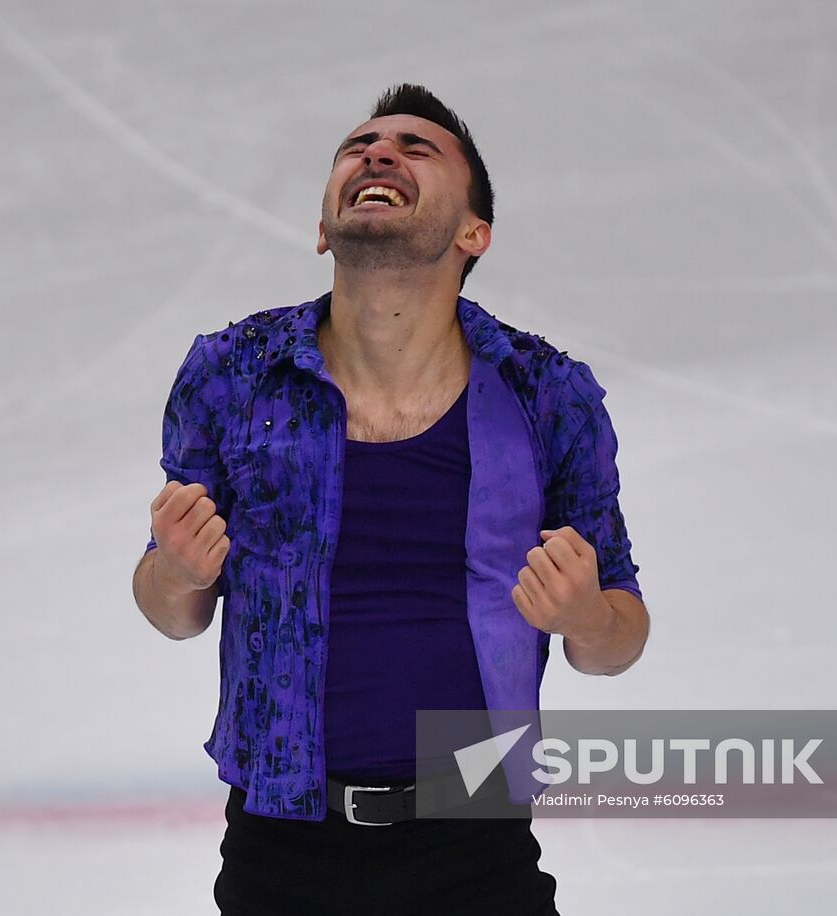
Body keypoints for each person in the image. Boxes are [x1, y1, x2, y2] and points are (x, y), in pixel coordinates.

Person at [132, 83, 649, 915]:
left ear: (473, 232)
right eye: (359, 146)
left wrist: (587, 617)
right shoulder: (233, 372)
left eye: (418, 148)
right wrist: (178, 572)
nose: (377, 153)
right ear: (323, 227)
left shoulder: (546, 394)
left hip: (475, 831)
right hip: (280, 839)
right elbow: (171, 609)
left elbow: (618, 634)